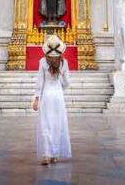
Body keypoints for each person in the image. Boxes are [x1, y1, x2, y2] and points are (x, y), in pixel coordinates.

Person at [32, 34, 71, 165]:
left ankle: (47, 154)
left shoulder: (43, 62)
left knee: (46, 124)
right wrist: (59, 85)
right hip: (58, 96)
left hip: (47, 95)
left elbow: (39, 83)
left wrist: (36, 98)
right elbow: (67, 83)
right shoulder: (64, 63)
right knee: (57, 125)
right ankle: (54, 154)